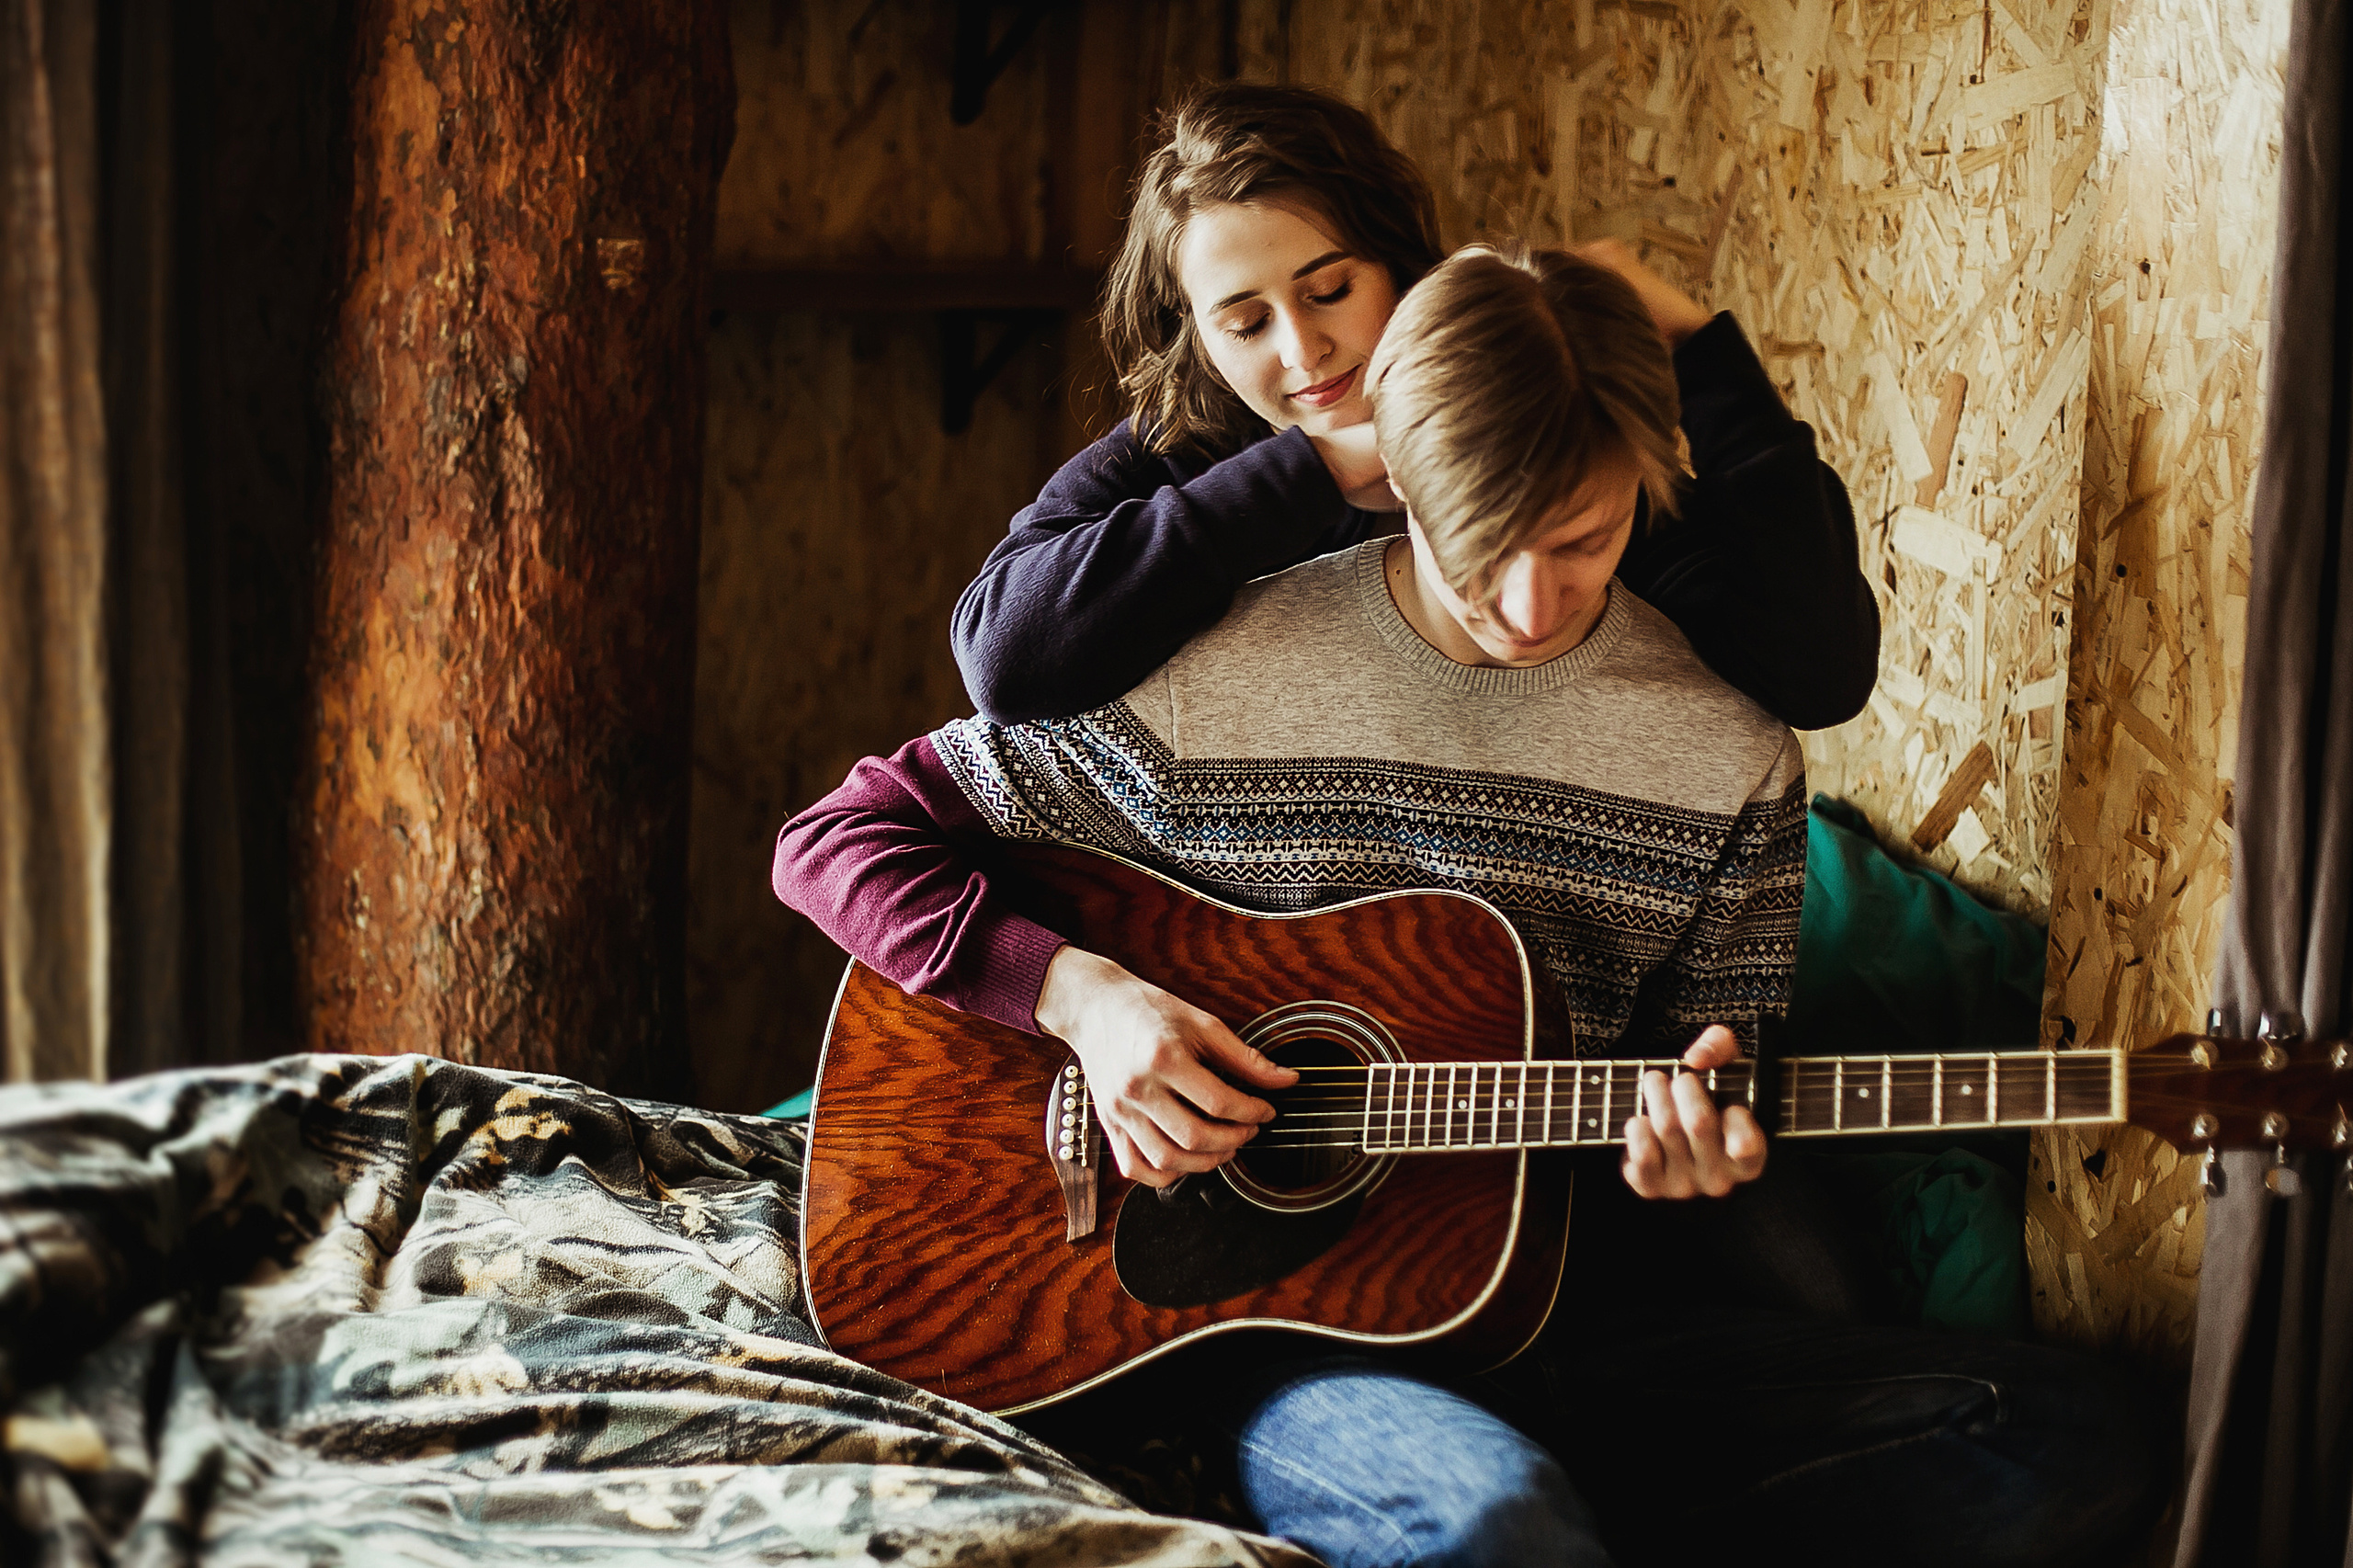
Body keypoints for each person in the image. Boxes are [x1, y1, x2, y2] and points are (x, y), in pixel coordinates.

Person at [775, 245, 2159, 1568]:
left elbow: (1714, 1069)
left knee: (2066, 1441)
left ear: (1646, 477)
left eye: (1582, 538)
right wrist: (1083, 997)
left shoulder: (1728, 755)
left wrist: (1700, 1156)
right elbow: (839, 837)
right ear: (1391, 477)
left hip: (1540, 1297)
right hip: (1250, 1321)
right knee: (1499, 1525)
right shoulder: (1212, 670)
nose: (1526, 599)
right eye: (1476, 543)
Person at [950, 81, 1879, 738]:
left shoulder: (1544, 454)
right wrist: (1320, 465)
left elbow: (1818, 671)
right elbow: (1004, 660)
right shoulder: (1182, 453)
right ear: (1193, 334)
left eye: (1328, 289)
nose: (1300, 350)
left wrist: (1702, 348)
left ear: (1398, 263)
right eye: (1243, 321)